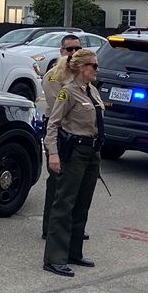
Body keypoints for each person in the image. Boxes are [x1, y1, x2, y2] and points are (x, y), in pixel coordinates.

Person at [43, 47, 104, 277]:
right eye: (94, 66)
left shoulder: (93, 91)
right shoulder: (67, 93)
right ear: (81, 68)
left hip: (92, 152)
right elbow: (53, 124)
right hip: (74, 151)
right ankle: (54, 258)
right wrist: (53, 153)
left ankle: (73, 252)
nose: (97, 70)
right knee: (64, 203)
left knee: (82, 204)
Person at [39, 34, 83, 240]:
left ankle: (71, 227)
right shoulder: (53, 76)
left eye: (77, 49)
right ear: (62, 52)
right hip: (59, 131)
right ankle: (50, 227)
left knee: (74, 184)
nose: (73, 53)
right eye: (69, 49)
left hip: (78, 134)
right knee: (57, 182)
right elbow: (60, 108)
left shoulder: (83, 76)